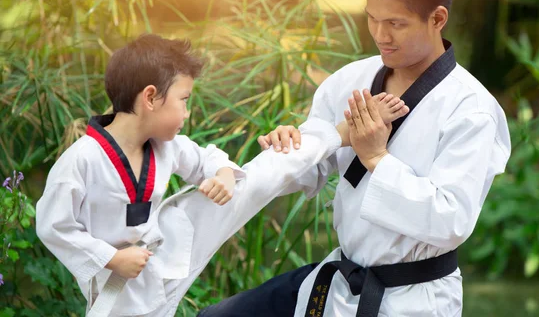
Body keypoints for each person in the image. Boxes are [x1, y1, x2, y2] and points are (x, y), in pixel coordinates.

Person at [198, 0, 511, 317]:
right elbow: (312, 172)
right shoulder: (351, 79)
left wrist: (377, 157)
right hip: (341, 279)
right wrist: (290, 145)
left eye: (396, 23)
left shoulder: (470, 109)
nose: (380, 35)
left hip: (413, 297)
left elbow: (450, 221)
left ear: (437, 18)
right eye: (372, 18)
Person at [35, 34, 408, 317]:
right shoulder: (82, 159)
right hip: (121, 287)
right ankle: (335, 134)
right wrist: (109, 258)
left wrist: (225, 173)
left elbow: (209, 159)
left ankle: (336, 134)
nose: (187, 113)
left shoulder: (168, 146)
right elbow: (53, 226)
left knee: (255, 179)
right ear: (150, 97)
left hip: (167, 252)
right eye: (183, 100)